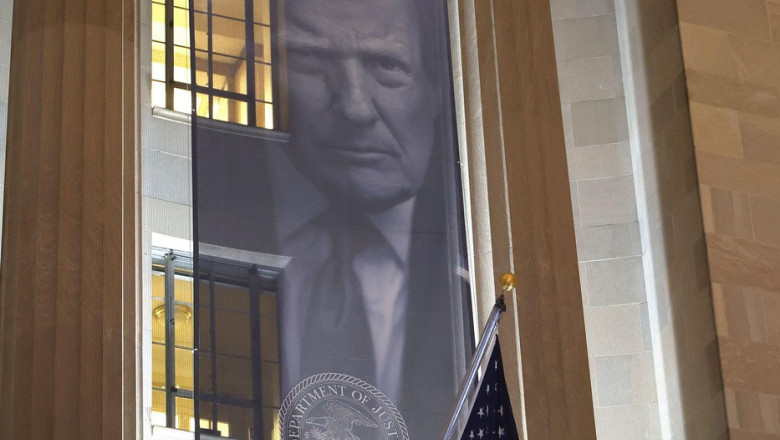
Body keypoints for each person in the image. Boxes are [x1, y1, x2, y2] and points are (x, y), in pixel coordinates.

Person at [193, 0, 471, 438]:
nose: (355, 106)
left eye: (386, 63)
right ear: (269, 72)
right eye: (309, 59)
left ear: (439, 88)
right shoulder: (203, 190)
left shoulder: (471, 263)